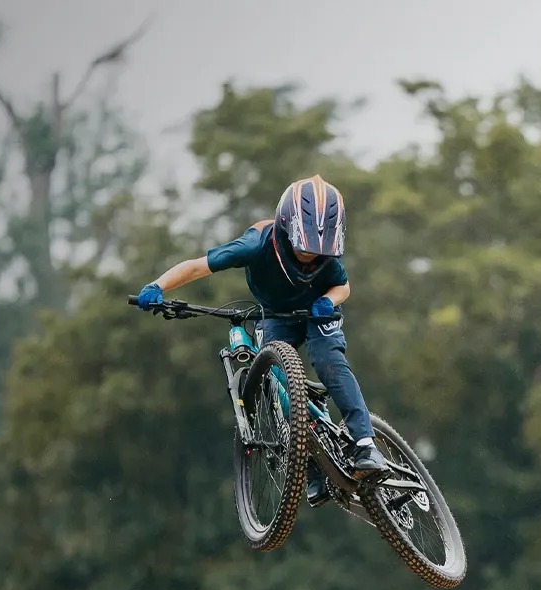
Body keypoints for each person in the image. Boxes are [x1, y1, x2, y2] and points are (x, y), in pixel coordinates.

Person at [134, 174, 386, 505]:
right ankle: (314, 466)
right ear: (286, 229)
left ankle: (365, 444)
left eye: (318, 252)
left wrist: (328, 301)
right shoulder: (255, 245)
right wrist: (157, 286)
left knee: (329, 362)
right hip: (274, 316)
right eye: (303, 249)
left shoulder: (326, 260)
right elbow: (197, 267)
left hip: (318, 313)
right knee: (271, 380)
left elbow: (343, 286)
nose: (310, 258)